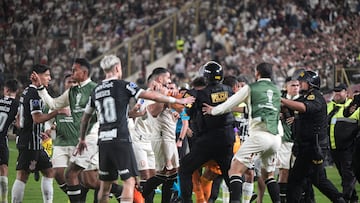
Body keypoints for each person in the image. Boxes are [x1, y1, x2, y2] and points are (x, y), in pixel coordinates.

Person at [76, 54, 194, 203]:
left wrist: (81, 139)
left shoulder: (96, 90)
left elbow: (85, 118)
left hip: (104, 141)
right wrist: (178, 100)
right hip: (121, 139)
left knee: (105, 187)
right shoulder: (124, 85)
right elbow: (153, 99)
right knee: (130, 182)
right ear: (118, 67)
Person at [31, 58, 123, 202]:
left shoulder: (96, 89)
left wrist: (98, 137)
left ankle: (122, 191)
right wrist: (41, 88)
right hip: (82, 142)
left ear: (84, 72)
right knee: (82, 179)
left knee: (83, 178)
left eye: (75, 70)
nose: (72, 72)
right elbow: (54, 104)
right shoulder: (72, 92)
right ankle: (120, 191)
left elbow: (104, 116)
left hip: (95, 141)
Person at [202, 62, 282, 203]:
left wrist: (213, 110)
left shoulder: (251, 88)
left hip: (260, 135)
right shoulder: (276, 90)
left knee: (234, 170)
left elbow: (230, 103)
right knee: (268, 175)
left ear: (257, 73)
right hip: (276, 137)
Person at [281, 70, 345, 203]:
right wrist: (284, 108)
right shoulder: (306, 97)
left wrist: (282, 100)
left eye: (303, 82)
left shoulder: (315, 97)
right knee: (314, 179)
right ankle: (338, 200)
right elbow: (291, 105)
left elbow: (304, 108)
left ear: (311, 84)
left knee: (298, 180)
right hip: (308, 146)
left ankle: (339, 199)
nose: (300, 84)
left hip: (313, 146)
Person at [179, 61, 235, 203]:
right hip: (227, 140)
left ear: (205, 76)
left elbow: (188, 112)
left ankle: (187, 201)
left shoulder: (200, 94)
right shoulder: (229, 90)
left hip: (207, 141)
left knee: (185, 167)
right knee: (231, 176)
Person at [11, 64, 67, 203]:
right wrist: (57, 112)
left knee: (49, 171)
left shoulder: (26, 92)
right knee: (22, 176)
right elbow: (37, 118)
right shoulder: (34, 93)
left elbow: (23, 118)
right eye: (47, 75)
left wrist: (39, 130)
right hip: (30, 143)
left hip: (35, 141)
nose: (50, 78)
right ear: (38, 75)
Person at [327, 83, 359, 203]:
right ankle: (353, 198)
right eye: (335, 91)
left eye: (339, 91)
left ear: (346, 93)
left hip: (349, 148)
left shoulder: (353, 107)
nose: (336, 94)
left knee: (348, 175)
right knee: (343, 174)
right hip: (334, 147)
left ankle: (345, 199)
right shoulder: (329, 106)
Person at [277, 77, 300, 203]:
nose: (296, 87)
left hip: (299, 141)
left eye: (297, 85)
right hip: (284, 140)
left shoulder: (303, 100)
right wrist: (277, 115)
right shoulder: (279, 100)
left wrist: (297, 118)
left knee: (297, 173)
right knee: (284, 171)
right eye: (293, 85)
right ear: (286, 87)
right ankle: (282, 199)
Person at [0, 79, 19, 203]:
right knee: (3, 168)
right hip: (2, 139)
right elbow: (19, 123)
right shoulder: (17, 105)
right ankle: (4, 200)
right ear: (15, 91)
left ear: (6, 90)